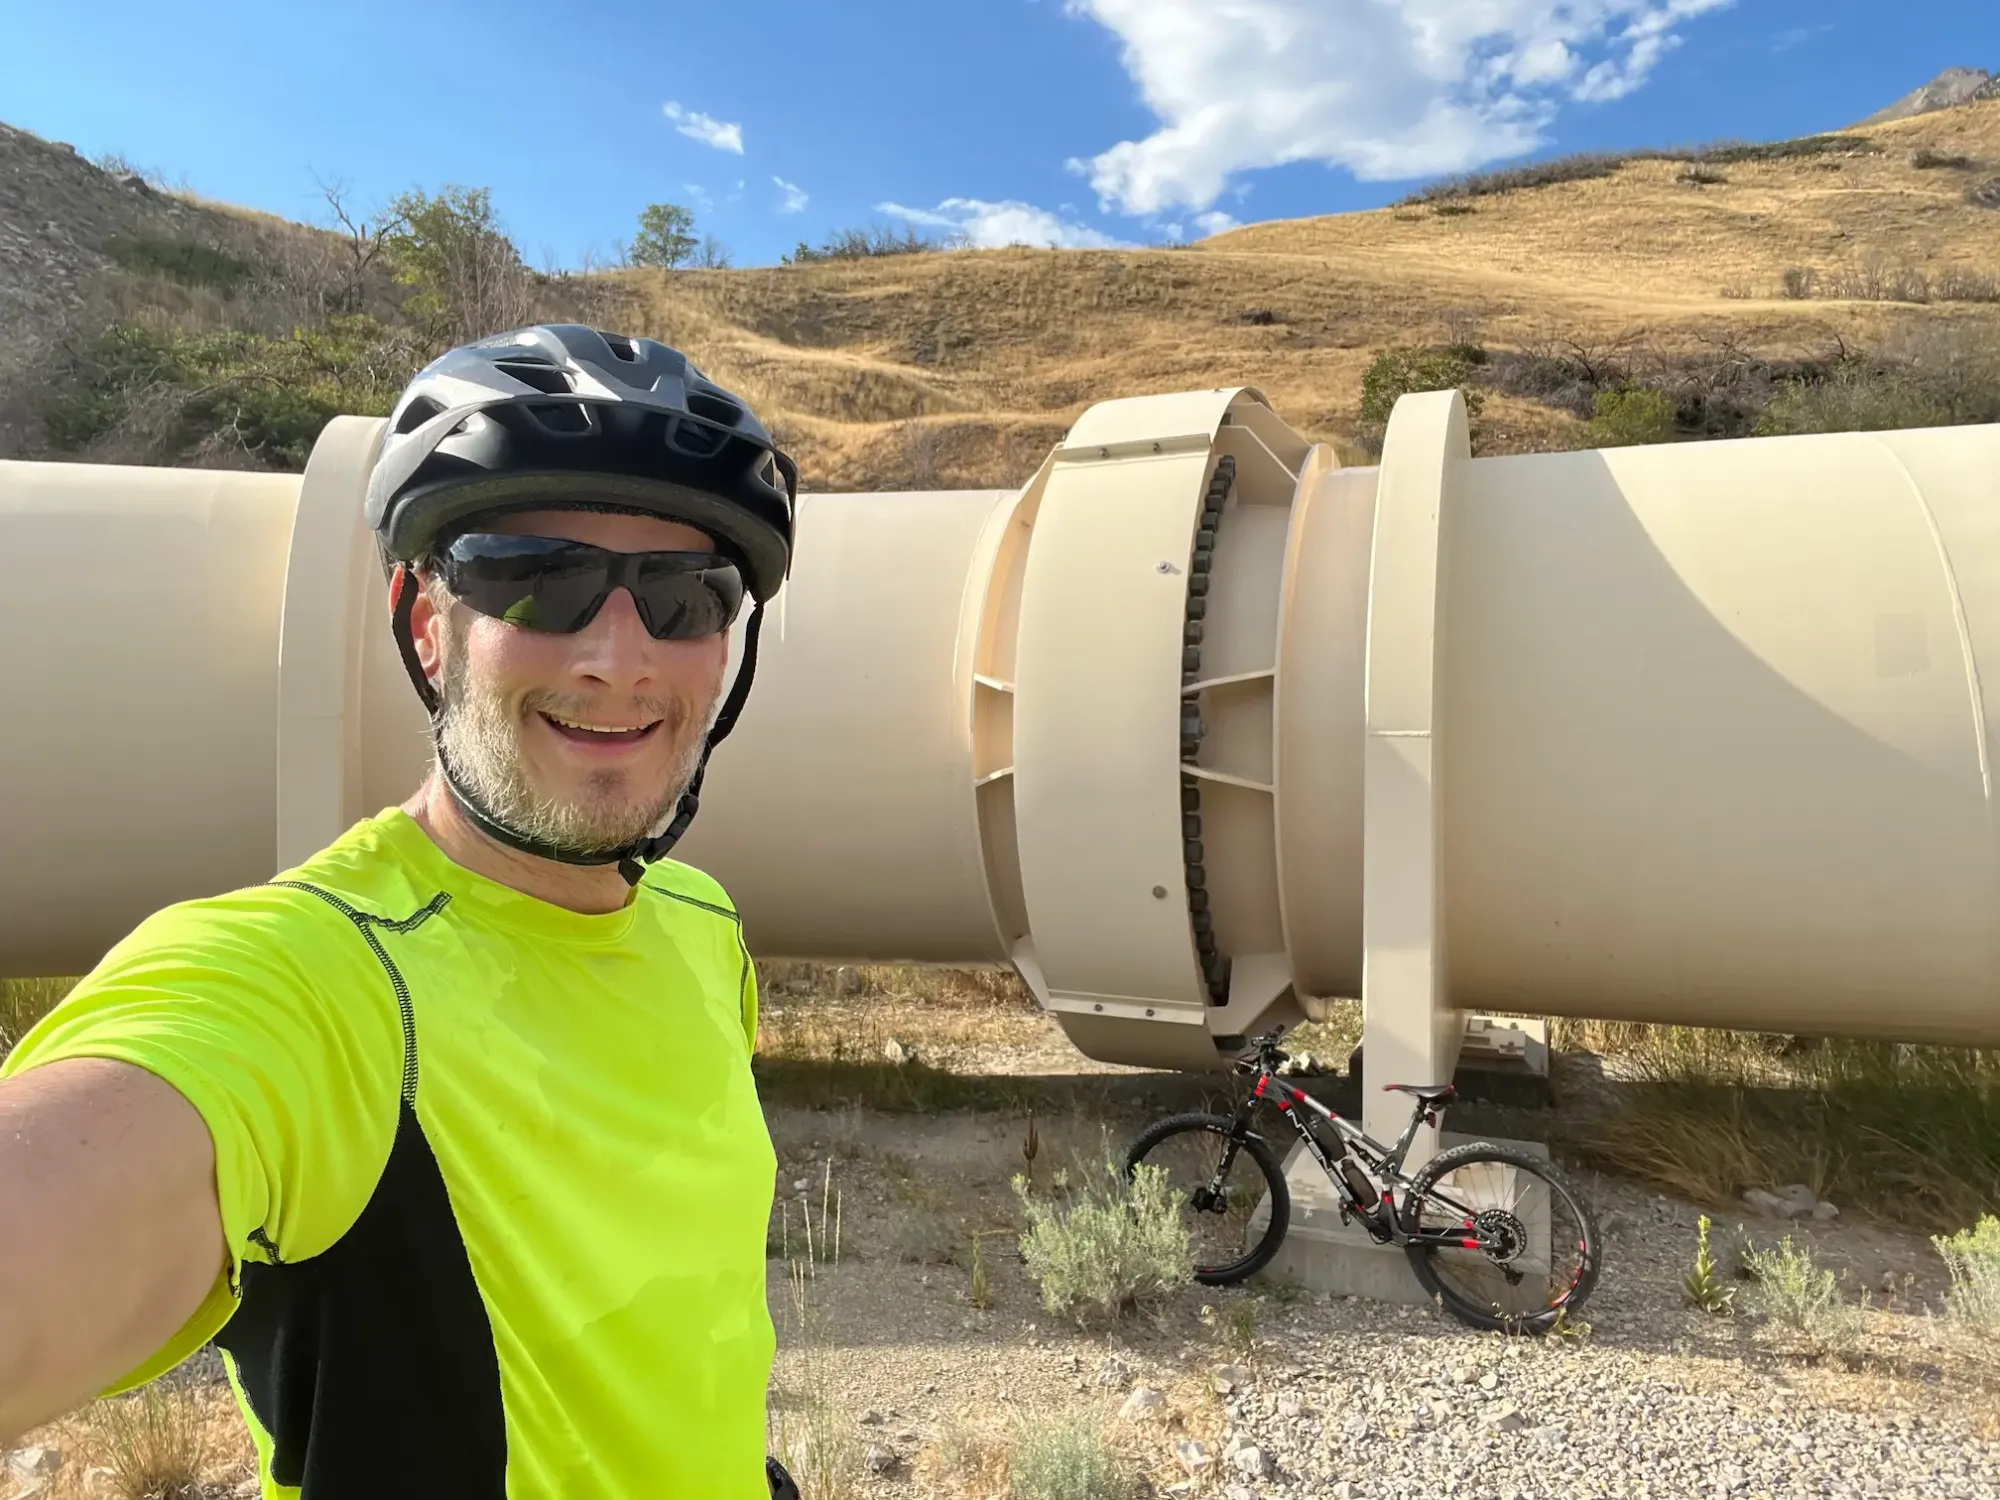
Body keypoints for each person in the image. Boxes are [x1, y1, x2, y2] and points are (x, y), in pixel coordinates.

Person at [0, 325, 803, 1500]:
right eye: (540, 575)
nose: (616, 655)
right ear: (428, 624)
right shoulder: (317, 979)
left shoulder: (701, 923)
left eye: (683, 596)